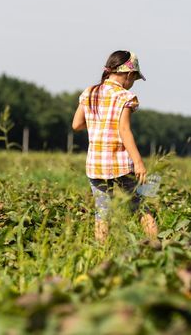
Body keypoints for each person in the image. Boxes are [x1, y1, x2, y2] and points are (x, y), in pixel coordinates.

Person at [72, 50, 159, 242]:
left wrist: (99, 122)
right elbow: (125, 131)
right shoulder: (125, 96)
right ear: (128, 74)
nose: (133, 83)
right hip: (120, 165)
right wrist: (138, 162)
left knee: (102, 212)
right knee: (140, 205)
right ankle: (156, 247)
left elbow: (76, 125)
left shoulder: (89, 92)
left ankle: (101, 253)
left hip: (96, 165)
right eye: (134, 79)